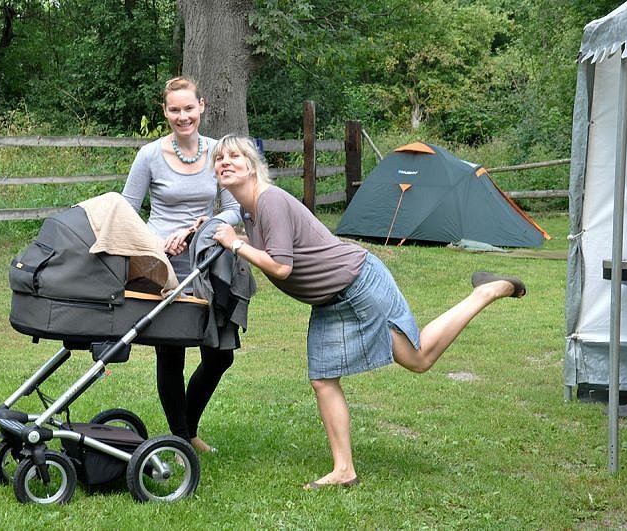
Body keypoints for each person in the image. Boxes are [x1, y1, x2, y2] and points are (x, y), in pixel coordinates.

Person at [209, 134, 527, 489]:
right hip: (329, 300)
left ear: (252, 165)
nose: (225, 162)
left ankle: (486, 292)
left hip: (358, 283)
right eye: (219, 158)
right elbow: (273, 246)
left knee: (418, 359)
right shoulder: (250, 209)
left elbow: (281, 267)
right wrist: (231, 236)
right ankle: (344, 470)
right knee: (323, 378)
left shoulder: (269, 200)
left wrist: (235, 244)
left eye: (234, 156)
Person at [122, 77, 242, 454]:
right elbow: (127, 211)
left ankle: (185, 429)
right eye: (174, 110)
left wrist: (201, 227)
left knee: (220, 355)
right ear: (165, 112)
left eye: (189, 108)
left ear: (201, 106)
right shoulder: (149, 155)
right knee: (171, 353)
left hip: (208, 262)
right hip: (163, 265)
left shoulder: (219, 152)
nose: (182, 116)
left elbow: (235, 209)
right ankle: (181, 437)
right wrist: (154, 245)